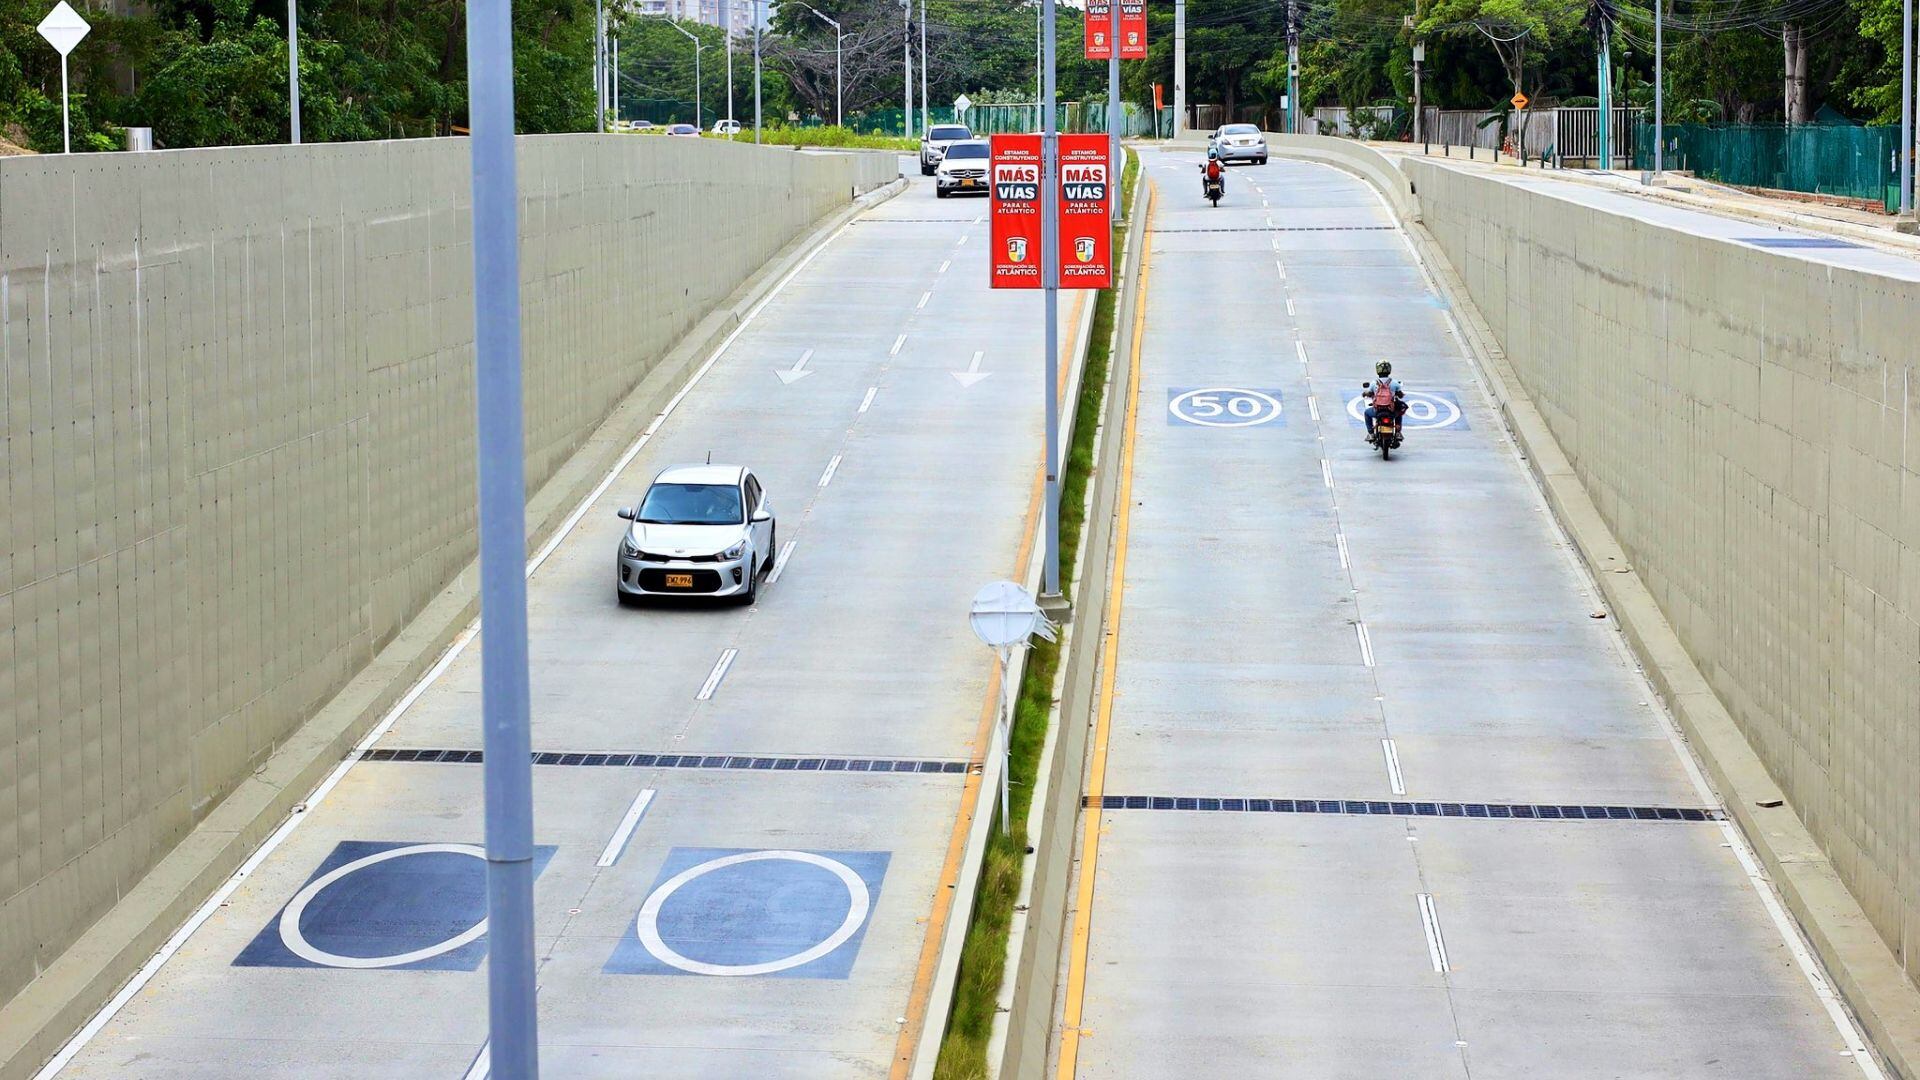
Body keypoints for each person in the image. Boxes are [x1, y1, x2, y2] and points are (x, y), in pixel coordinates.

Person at [1362, 360, 1406, 437]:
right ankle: (1398, 432)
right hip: (1391, 410)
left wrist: (1365, 394)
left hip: (1377, 410)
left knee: (1367, 413)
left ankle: (1371, 433)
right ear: (1389, 370)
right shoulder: (1395, 383)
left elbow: (1369, 393)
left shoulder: (1373, 383)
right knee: (1399, 413)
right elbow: (1401, 395)